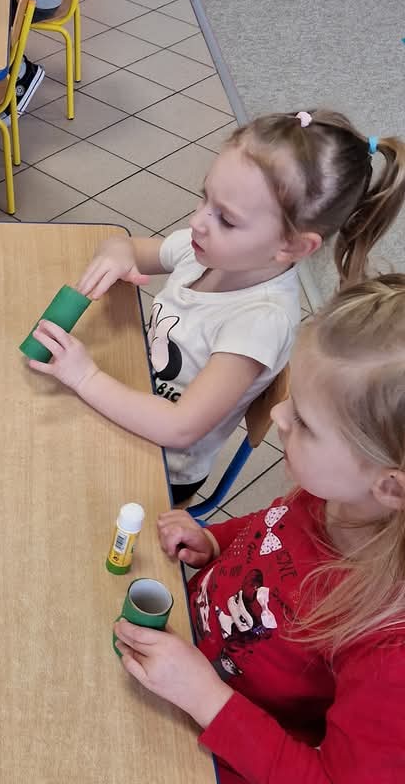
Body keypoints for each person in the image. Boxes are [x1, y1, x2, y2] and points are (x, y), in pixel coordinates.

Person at [115, 275, 405, 784]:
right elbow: (271, 535)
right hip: (177, 650)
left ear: (389, 486)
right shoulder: (335, 496)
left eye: (307, 423)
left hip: (208, 764)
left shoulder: (388, 645)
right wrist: (217, 542)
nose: (280, 416)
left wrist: (203, 695)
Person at [30, 111, 405, 500]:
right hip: (128, 397)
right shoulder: (206, 252)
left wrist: (86, 378)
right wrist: (116, 253)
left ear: (292, 246)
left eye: (226, 218)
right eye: (204, 197)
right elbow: (124, 244)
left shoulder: (259, 322)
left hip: (162, 466)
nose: (198, 221)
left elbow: (179, 428)